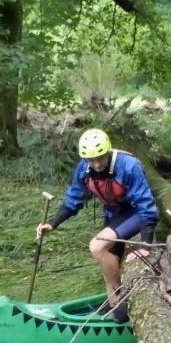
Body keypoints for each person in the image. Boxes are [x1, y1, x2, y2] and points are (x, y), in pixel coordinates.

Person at [35, 128, 158, 321]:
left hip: (135, 213)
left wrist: (146, 246)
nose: (97, 164)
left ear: (108, 152)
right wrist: (52, 223)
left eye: (101, 158)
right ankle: (114, 309)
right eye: (92, 160)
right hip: (114, 214)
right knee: (106, 259)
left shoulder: (128, 166)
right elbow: (73, 200)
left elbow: (146, 205)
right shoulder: (84, 169)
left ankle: (122, 297)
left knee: (96, 246)